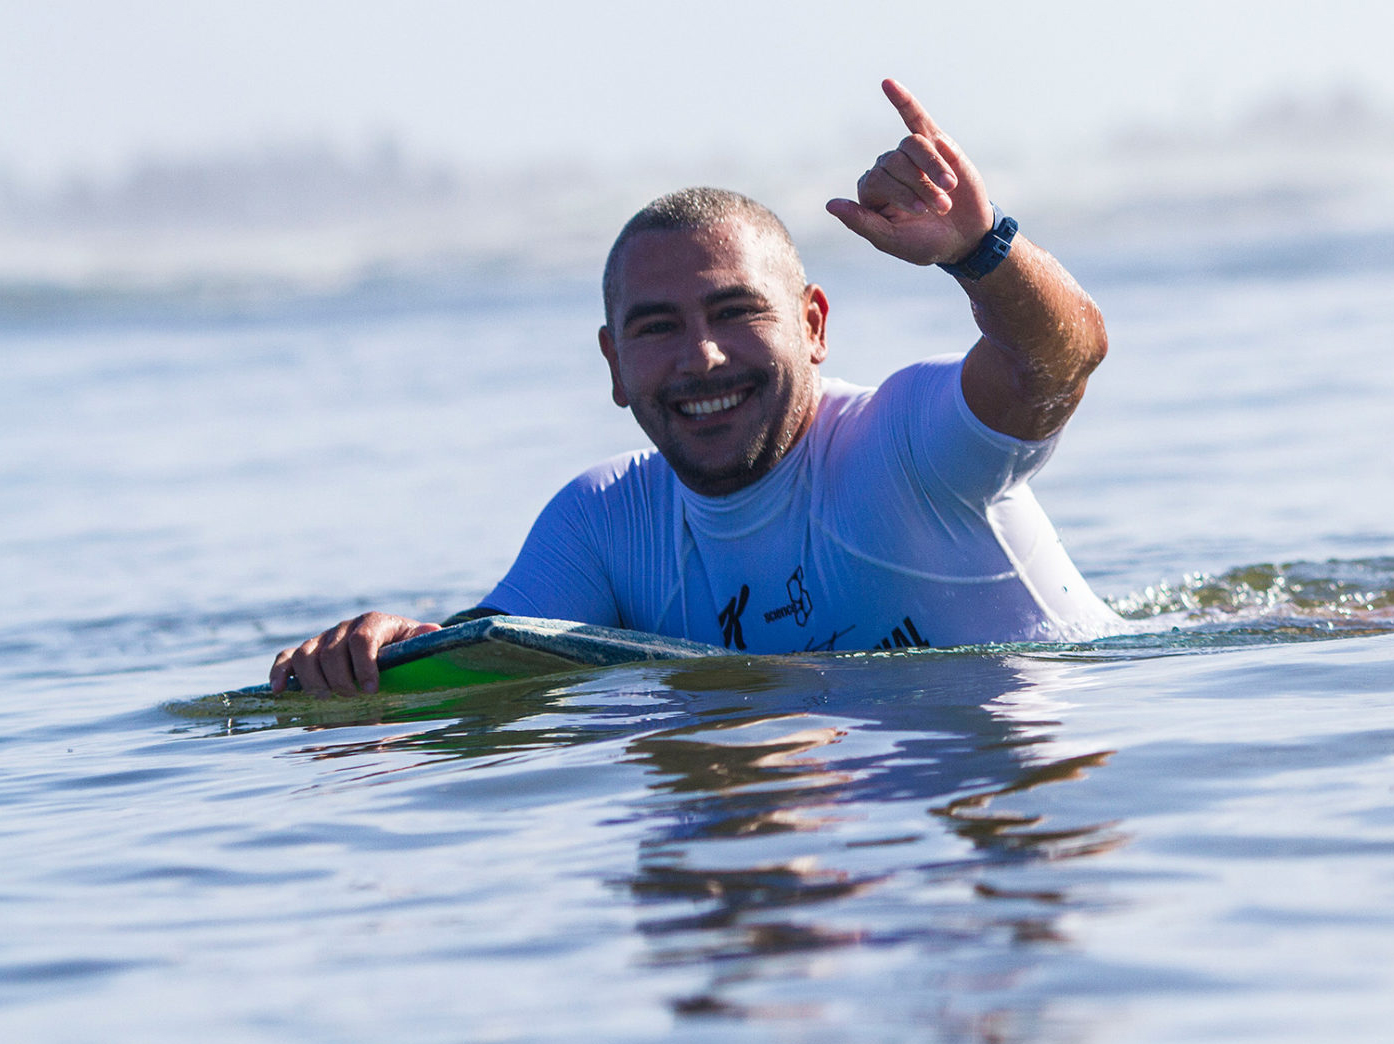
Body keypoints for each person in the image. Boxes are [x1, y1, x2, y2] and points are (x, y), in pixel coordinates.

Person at [272, 79, 1121, 696]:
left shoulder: (905, 447)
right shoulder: (607, 523)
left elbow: (1061, 357)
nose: (702, 357)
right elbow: (487, 662)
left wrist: (981, 248)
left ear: (815, 326)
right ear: (613, 364)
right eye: (657, 328)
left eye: (735, 311)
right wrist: (371, 655)